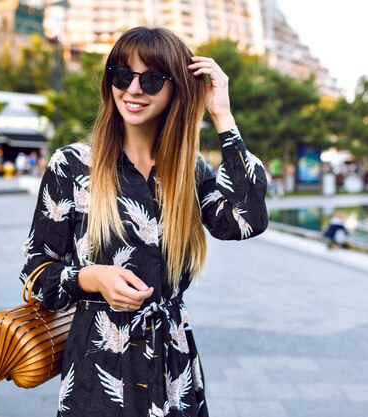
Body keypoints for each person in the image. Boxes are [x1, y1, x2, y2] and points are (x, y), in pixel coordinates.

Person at [18, 27, 268, 417]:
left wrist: (222, 114)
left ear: (176, 90)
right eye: (122, 74)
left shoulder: (190, 172)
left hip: (172, 365)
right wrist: (92, 278)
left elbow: (246, 220)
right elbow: (35, 273)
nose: (133, 89)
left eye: (151, 79)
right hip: (98, 369)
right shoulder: (71, 165)